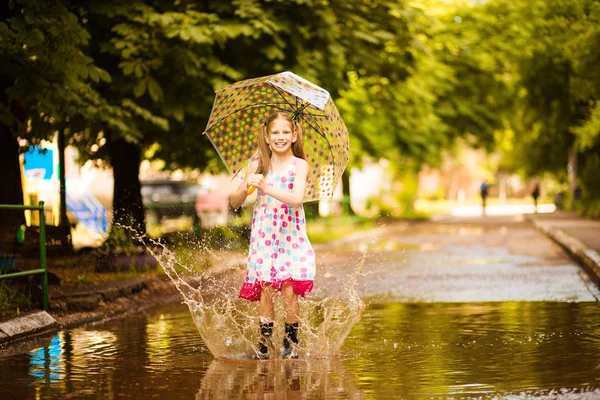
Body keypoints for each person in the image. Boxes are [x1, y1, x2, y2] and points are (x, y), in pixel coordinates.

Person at [230, 111, 315, 360]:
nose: (280, 137)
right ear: (266, 138)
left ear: (294, 135)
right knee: (266, 288)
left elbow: (297, 200)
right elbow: (235, 201)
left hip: (290, 235)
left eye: (285, 132)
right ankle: (265, 344)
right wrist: (246, 186)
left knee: (289, 288)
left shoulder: (300, 165)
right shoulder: (257, 164)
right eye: (275, 133)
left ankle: (291, 343)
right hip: (265, 234)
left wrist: (267, 187)